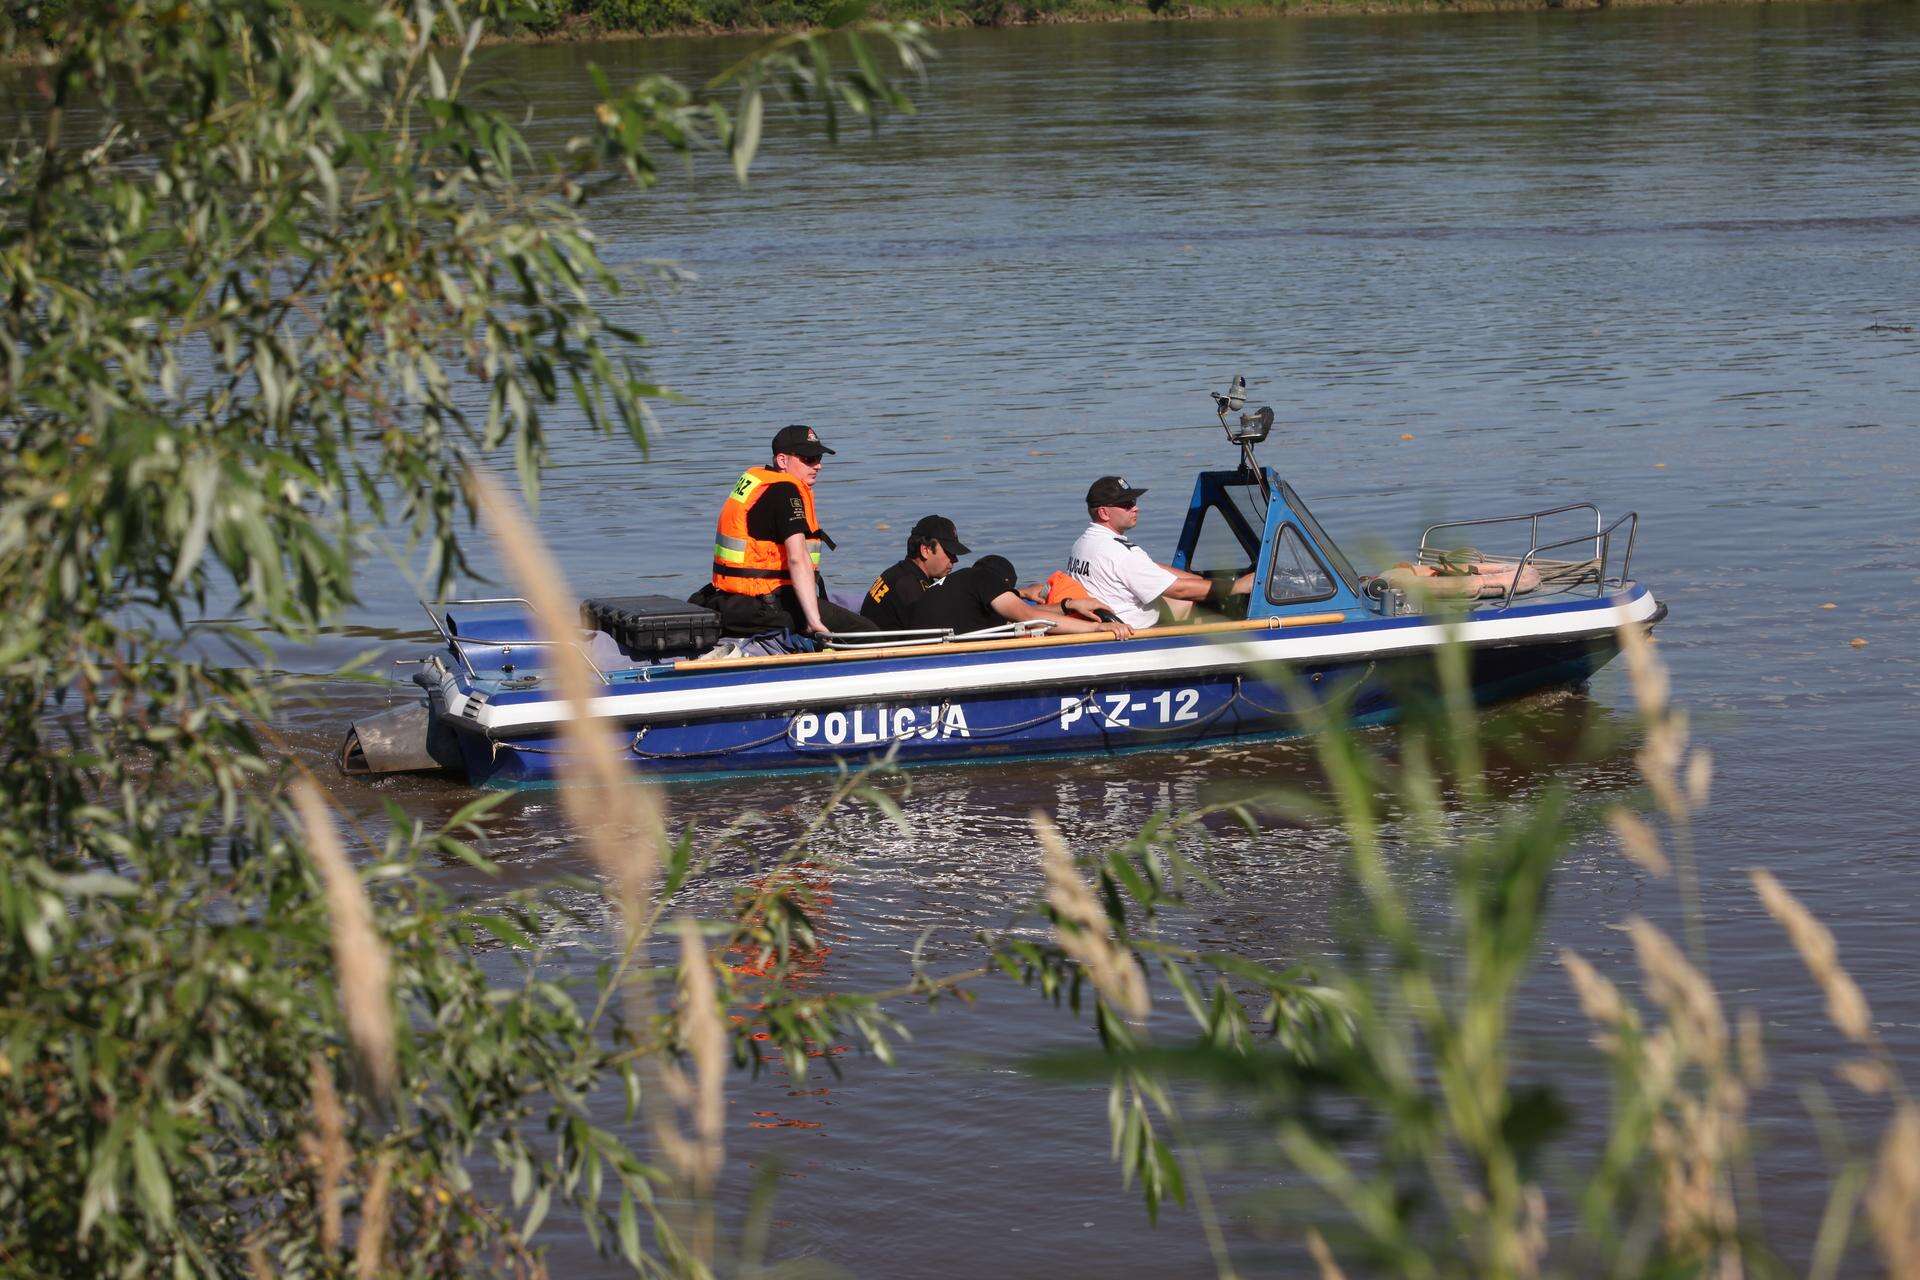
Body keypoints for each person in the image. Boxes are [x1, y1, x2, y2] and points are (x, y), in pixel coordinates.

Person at [691, 425, 878, 637]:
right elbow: (797, 558)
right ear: (782, 460)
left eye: (819, 458)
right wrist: (814, 621)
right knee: (868, 632)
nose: (817, 466)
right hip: (765, 603)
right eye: (808, 459)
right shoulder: (785, 490)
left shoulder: (757, 481)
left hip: (733, 598)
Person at [1066, 475, 1251, 629]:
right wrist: (1238, 586)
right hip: (1138, 630)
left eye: (1134, 501)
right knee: (1216, 614)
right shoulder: (1122, 554)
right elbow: (1181, 590)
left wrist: (1200, 581)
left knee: (1190, 597)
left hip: (1113, 615)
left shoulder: (1083, 543)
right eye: (1126, 504)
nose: (1135, 508)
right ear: (1104, 513)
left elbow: (1149, 568)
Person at [907, 555, 1133, 640]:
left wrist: (1068, 605)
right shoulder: (983, 579)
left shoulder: (961, 589)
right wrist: (1096, 629)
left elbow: (1019, 612)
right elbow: (1028, 616)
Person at [861, 514, 969, 630]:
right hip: (883, 647)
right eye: (949, 552)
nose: (955, 559)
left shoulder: (899, 574)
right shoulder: (909, 586)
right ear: (925, 550)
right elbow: (930, 632)